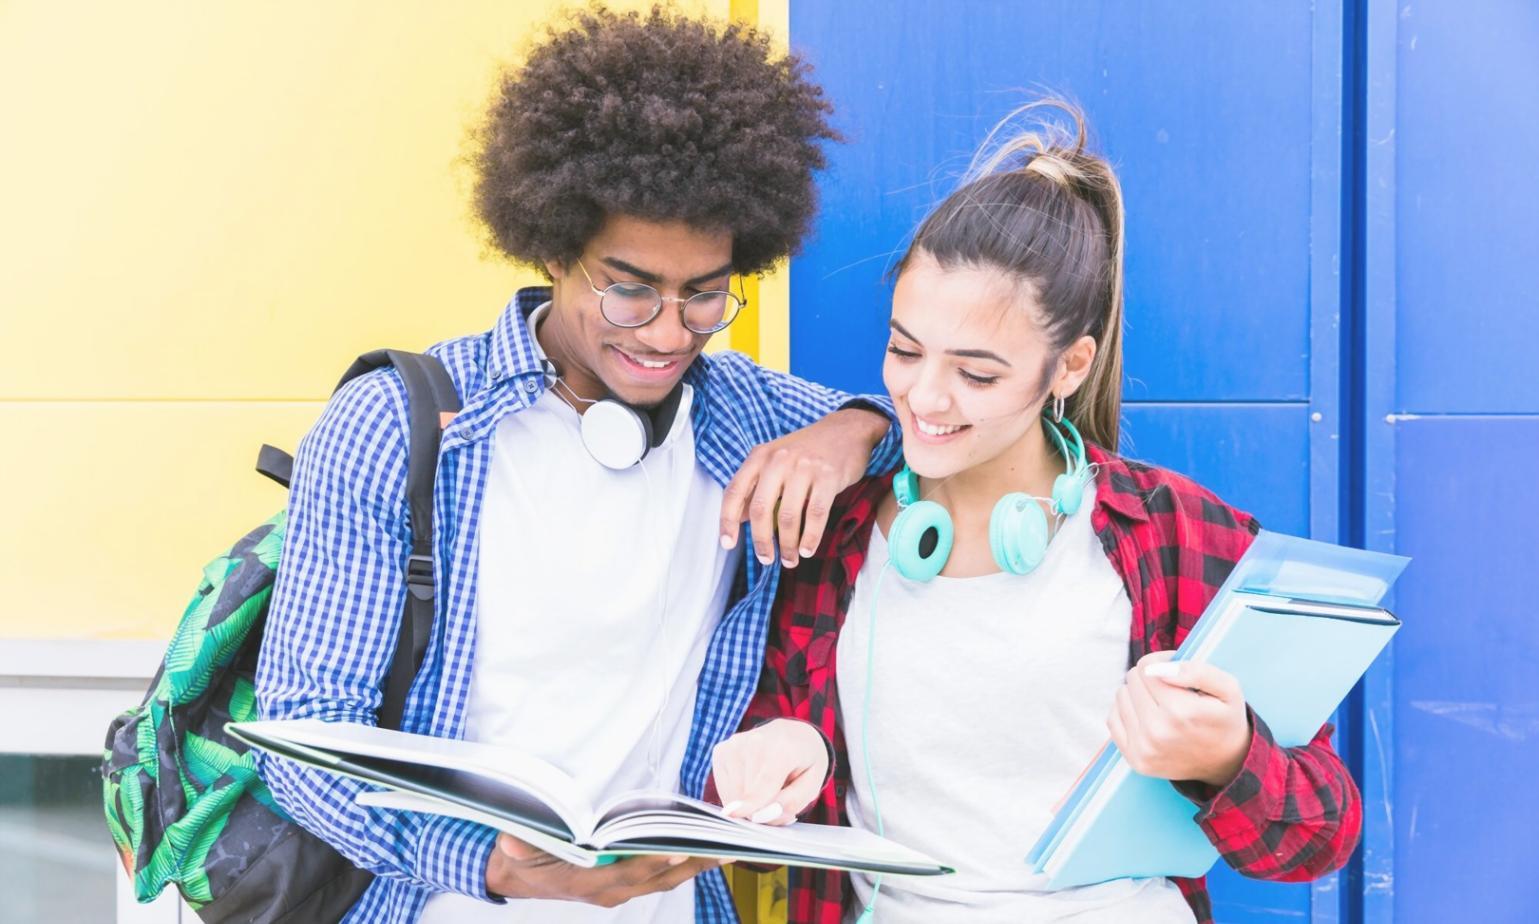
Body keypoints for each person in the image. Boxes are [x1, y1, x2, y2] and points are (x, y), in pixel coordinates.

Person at [254, 7, 903, 923]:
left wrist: (854, 429)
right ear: (555, 246)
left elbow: (941, 427)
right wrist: (496, 866)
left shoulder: (746, 413)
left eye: (704, 294)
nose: (670, 332)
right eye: (630, 290)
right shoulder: (400, 430)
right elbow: (301, 741)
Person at [712, 100, 1362, 924]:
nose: (925, 396)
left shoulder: (1174, 536)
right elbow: (777, 735)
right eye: (904, 351)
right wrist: (784, 750)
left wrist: (1228, 755)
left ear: (1069, 365)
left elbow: (1319, 834)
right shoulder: (833, 535)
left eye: (976, 374)